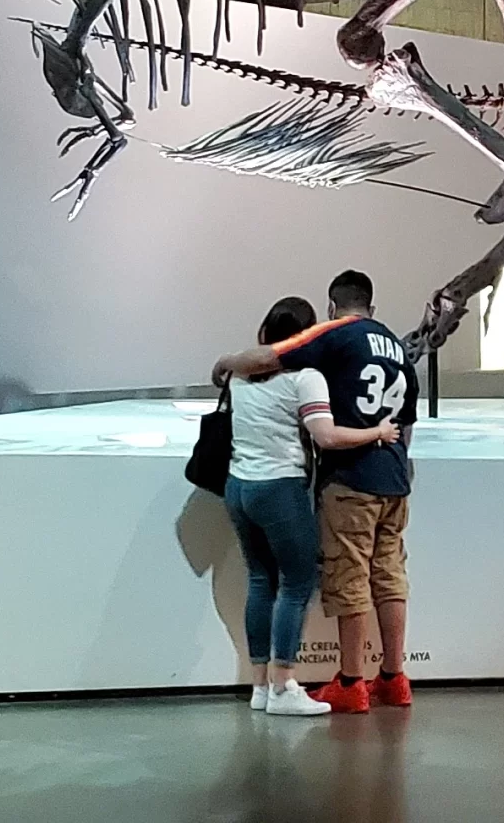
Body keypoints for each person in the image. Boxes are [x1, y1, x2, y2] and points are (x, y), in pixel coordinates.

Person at [216, 270, 417, 714]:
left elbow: (266, 358)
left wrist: (227, 360)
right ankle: (394, 677)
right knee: (389, 576)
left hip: (349, 479)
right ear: (372, 305)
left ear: (330, 309)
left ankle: (349, 681)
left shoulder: (332, 337)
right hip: (394, 477)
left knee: (347, 579)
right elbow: (408, 427)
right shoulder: (399, 348)